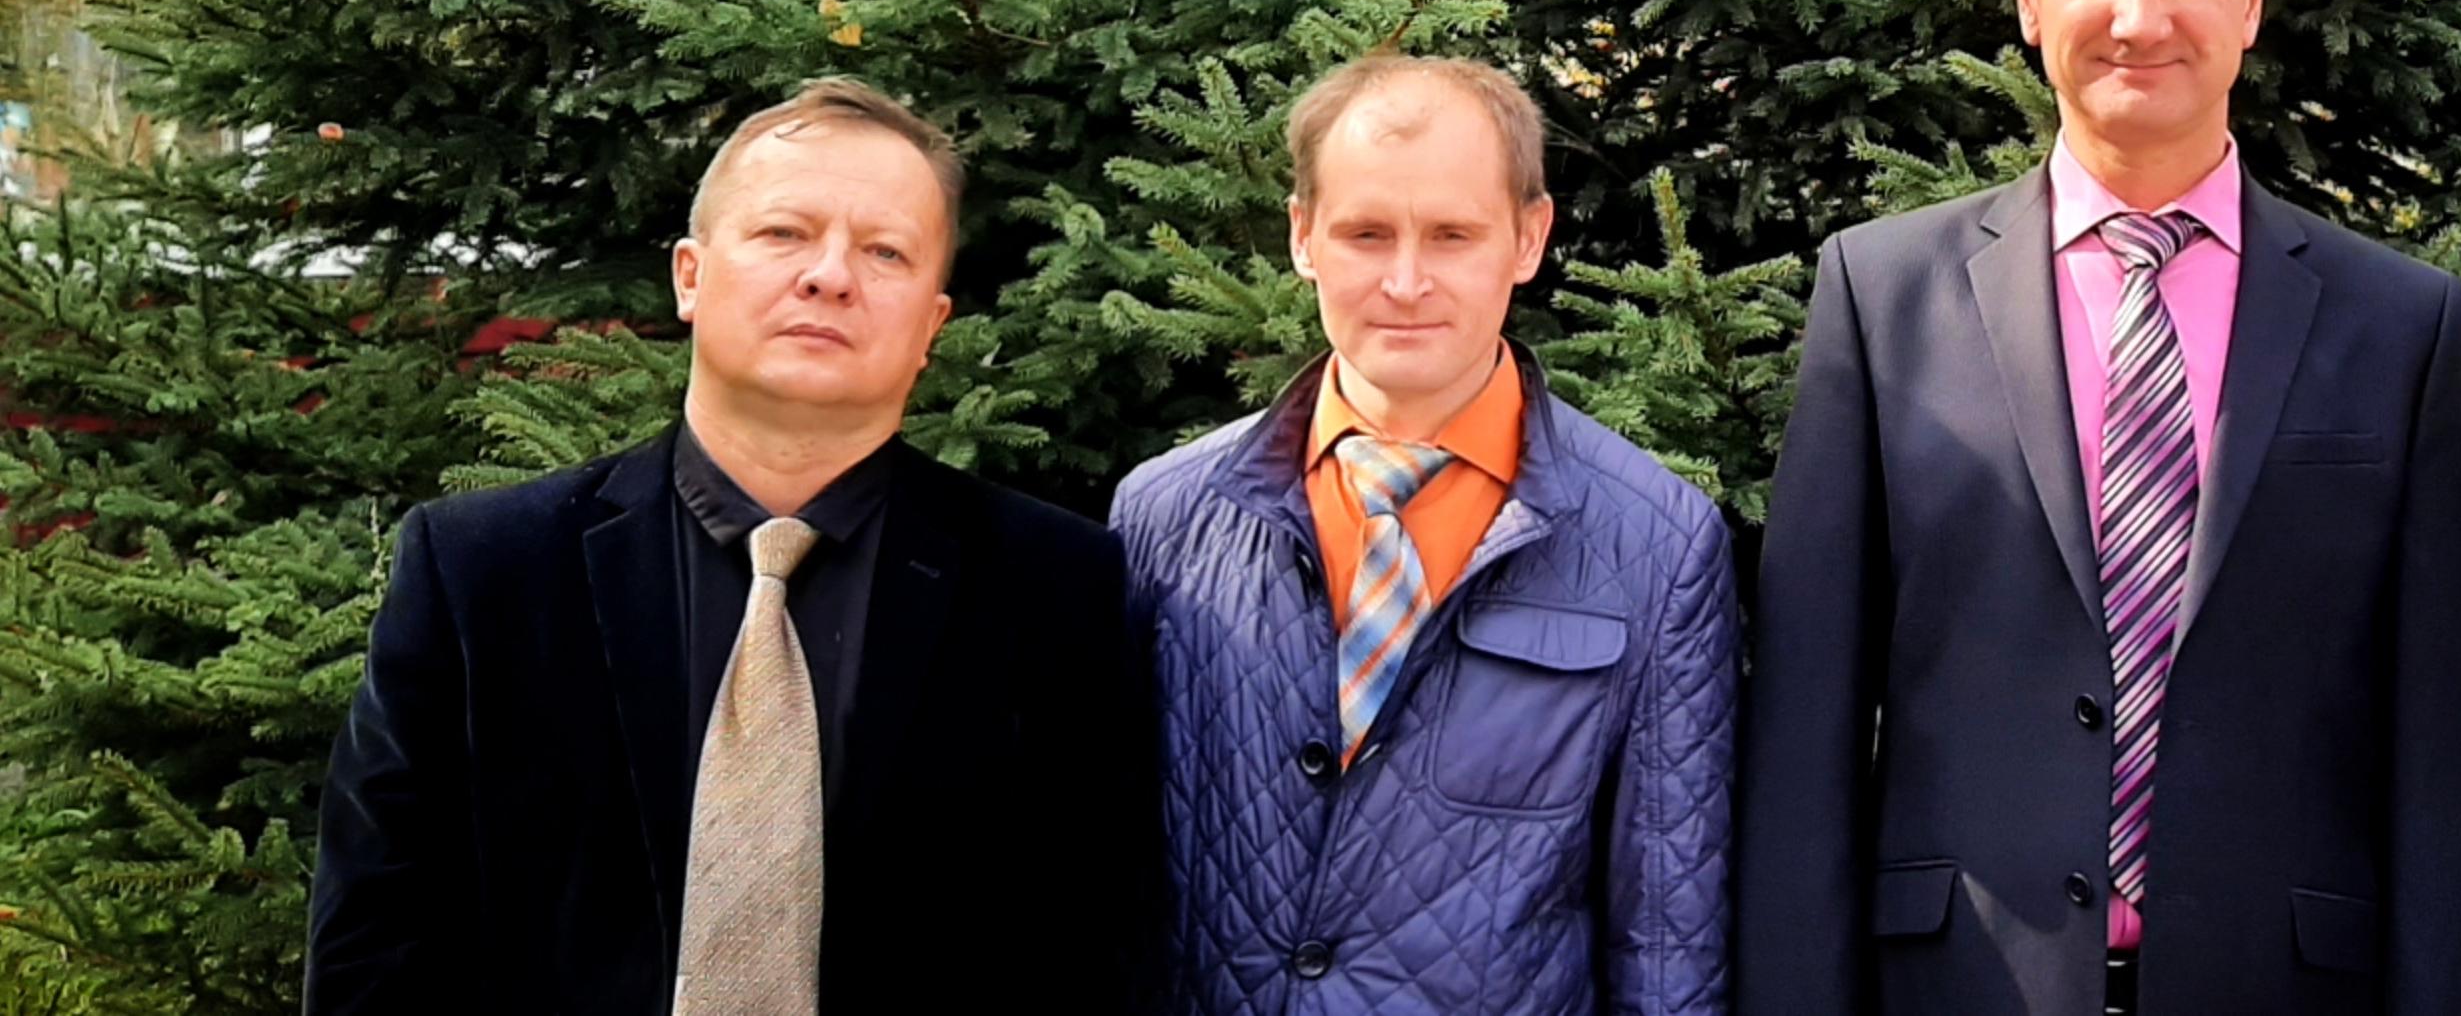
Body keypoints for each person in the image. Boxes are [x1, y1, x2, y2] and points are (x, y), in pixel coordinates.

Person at [1736, 0, 2461, 1016]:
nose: (2141, 18)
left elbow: (2443, 753)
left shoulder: (2398, 325)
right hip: (1956, 988)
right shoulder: (1884, 299)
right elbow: (1807, 729)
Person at [307, 79, 1159, 1015]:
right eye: (784, 232)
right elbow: (376, 947)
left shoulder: (1050, 586)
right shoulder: (484, 572)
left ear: (931, 325)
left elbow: (1096, 955)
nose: (830, 275)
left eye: (885, 251)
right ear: (690, 276)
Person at [1110, 54, 1735, 1016]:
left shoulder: (1655, 543)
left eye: (1452, 235)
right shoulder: (1165, 516)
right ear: (1303, 237)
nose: (1406, 282)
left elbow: (1666, 937)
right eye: (1366, 234)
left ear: (1528, 238)